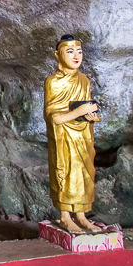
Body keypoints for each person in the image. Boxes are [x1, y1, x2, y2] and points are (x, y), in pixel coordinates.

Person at [44, 34, 100, 233]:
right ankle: (65, 217)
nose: (76, 56)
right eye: (70, 51)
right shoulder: (53, 82)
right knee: (65, 174)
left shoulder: (83, 80)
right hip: (63, 138)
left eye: (79, 51)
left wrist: (91, 114)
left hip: (83, 136)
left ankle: (82, 215)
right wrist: (79, 112)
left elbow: (85, 108)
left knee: (84, 174)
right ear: (57, 55)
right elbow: (53, 117)